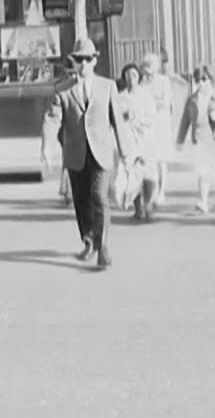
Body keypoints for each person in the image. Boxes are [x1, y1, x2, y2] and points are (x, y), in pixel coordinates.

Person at [41, 39, 135, 269]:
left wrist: (127, 153)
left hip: (101, 153)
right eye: (79, 59)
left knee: (99, 197)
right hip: (75, 153)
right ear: (73, 61)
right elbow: (52, 119)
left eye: (88, 59)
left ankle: (103, 248)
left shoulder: (107, 87)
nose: (83, 63)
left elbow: (118, 122)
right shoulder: (63, 89)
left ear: (95, 60)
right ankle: (88, 240)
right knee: (82, 202)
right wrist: (46, 146)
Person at [176, 66, 215, 213]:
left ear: (211, 80)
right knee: (203, 169)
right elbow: (185, 121)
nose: (201, 83)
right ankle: (203, 200)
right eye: (198, 80)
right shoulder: (192, 99)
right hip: (200, 136)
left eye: (204, 79)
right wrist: (180, 140)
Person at [116, 64, 158, 221]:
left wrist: (140, 121)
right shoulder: (120, 97)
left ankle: (148, 204)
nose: (130, 78)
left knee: (148, 172)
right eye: (127, 75)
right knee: (132, 173)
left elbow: (152, 117)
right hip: (129, 139)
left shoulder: (145, 96)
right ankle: (138, 207)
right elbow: (117, 119)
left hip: (145, 138)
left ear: (138, 77)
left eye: (133, 75)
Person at [140, 53, 174, 207]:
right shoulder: (142, 84)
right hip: (148, 126)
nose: (147, 72)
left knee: (161, 160)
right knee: (149, 160)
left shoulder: (163, 81)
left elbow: (166, 101)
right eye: (145, 68)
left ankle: (162, 190)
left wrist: (151, 103)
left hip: (161, 124)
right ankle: (150, 192)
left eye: (150, 67)